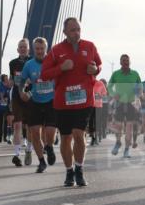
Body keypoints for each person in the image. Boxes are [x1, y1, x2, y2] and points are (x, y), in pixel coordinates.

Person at [41, 17, 102, 188]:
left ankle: (79, 170)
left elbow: (99, 64)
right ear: (65, 32)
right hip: (63, 102)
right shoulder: (55, 50)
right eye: (72, 30)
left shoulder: (89, 46)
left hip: (84, 100)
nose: (76, 33)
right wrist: (61, 68)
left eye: (78, 29)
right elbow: (44, 74)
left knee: (78, 134)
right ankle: (69, 171)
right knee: (66, 138)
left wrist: (96, 69)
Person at [20, 37, 57, 173]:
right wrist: (21, 92)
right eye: (37, 49)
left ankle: (50, 147)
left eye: (42, 49)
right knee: (35, 133)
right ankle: (41, 161)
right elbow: (22, 81)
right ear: (34, 49)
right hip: (35, 101)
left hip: (51, 101)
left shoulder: (53, 62)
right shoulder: (29, 64)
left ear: (46, 49)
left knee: (49, 133)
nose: (40, 51)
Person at [109, 54, 142, 158]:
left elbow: (140, 87)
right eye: (123, 60)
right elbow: (109, 86)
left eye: (127, 60)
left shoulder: (135, 74)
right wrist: (114, 94)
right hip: (119, 103)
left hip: (131, 103)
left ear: (129, 62)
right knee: (118, 126)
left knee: (129, 128)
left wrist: (138, 95)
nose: (125, 62)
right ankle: (118, 142)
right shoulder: (116, 74)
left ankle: (127, 150)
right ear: (120, 62)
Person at [9, 39, 32, 166]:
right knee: (17, 125)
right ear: (18, 49)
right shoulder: (12, 63)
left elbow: (37, 79)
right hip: (17, 95)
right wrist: (10, 82)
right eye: (20, 47)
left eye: (25, 47)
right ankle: (16, 154)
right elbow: (13, 79)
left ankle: (28, 150)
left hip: (29, 96)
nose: (23, 49)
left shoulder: (33, 61)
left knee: (29, 126)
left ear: (28, 49)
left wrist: (30, 82)